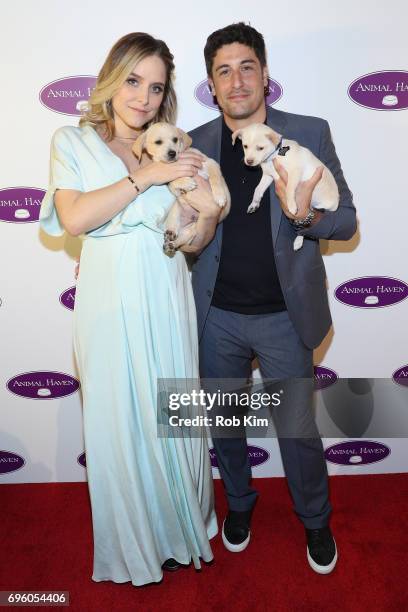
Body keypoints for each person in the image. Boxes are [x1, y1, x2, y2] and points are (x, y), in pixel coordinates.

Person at [39, 32, 221, 587]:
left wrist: (204, 218)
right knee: (120, 421)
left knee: (173, 413)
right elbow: (74, 219)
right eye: (134, 80)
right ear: (113, 77)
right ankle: (137, 545)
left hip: (165, 285)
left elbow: (192, 238)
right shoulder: (71, 139)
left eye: (156, 87)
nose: (143, 97)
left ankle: (178, 532)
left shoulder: (173, 146)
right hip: (108, 291)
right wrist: (146, 177)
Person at [187, 23, 357, 574]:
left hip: (286, 317)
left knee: (299, 432)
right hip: (216, 318)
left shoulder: (308, 131)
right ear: (211, 84)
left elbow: (347, 220)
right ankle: (239, 507)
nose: (237, 80)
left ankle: (315, 520)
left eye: (247, 67)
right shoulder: (193, 144)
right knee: (226, 427)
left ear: (265, 75)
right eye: (223, 71)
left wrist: (304, 215)